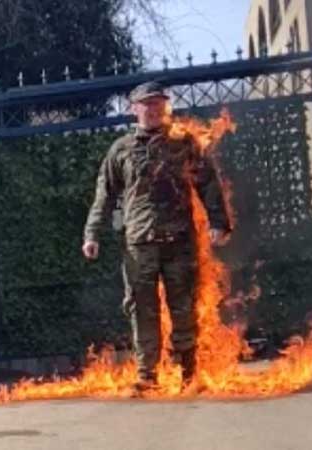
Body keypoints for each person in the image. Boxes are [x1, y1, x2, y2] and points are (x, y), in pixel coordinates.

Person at [82, 81, 232, 392]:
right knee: (141, 308)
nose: (153, 109)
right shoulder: (121, 150)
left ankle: (188, 373)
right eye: (146, 104)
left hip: (180, 241)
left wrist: (219, 222)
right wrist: (92, 234)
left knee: (184, 306)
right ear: (133, 108)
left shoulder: (183, 142)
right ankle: (147, 375)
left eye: (158, 103)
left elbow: (208, 182)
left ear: (166, 107)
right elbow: (104, 195)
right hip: (139, 244)